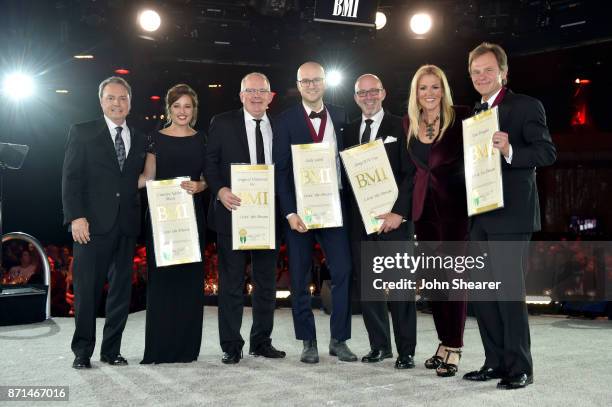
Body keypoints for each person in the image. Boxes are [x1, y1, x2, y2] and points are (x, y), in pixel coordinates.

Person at [462, 42, 556, 389]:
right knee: (483, 294)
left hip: (512, 216)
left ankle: (520, 367)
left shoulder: (526, 106)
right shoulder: (474, 114)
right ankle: (495, 361)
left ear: (503, 72)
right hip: (481, 216)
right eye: (476, 71)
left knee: (507, 293)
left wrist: (510, 150)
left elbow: (546, 153)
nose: (482, 76)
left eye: (488, 70)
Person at [273, 61, 356, 363]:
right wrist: (290, 212)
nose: (311, 85)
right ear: (298, 85)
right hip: (301, 214)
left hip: (335, 207)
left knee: (344, 270)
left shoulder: (343, 114)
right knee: (299, 275)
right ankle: (308, 341)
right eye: (305, 81)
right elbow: (281, 171)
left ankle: (339, 339)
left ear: (325, 83)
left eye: (316, 80)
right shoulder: (283, 121)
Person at [62, 76, 146, 369]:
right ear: (101, 101)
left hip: (125, 225)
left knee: (121, 293)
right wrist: (75, 216)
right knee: (86, 291)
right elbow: (71, 179)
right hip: (91, 226)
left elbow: (137, 178)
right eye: (111, 98)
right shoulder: (82, 132)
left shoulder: (138, 135)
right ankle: (82, 352)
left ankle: (112, 351)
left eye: (122, 98)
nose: (117, 103)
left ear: (130, 102)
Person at [204, 72, 285, 364]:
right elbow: (209, 163)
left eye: (261, 91)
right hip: (233, 213)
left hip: (267, 216)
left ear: (270, 96)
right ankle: (231, 345)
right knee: (231, 283)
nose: (255, 96)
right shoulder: (222, 122)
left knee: (266, 283)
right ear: (241, 96)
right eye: (250, 90)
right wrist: (220, 189)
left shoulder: (280, 125)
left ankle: (261, 341)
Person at [345, 74, 416, 369]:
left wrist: (399, 213)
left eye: (373, 91)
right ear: (355, 97)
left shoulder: (402, 125)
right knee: (370, 288)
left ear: (383, 93)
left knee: (400, 289)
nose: (368, 96)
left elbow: (413, 174)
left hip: (395, 222)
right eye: (362, 93)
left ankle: (406, 351)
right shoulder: (348, 131)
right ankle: (380, 346)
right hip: (360, 224)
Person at [405, 65, 470, 377]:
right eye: (423, 88)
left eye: (434, 87)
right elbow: (411, 173)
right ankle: (444, 342)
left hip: (456, 211)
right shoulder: (409, 123)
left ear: (443, 90)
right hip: (424, 214)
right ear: (415, 93)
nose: (429, 94)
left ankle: (455, 346)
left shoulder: (462, 117)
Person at [139, 84, 207, 364]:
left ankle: (186, 349)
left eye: (187, 106)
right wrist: (110, 185)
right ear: (169, 108)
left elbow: (208, 178)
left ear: (194, 110)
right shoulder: (154, 138)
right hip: (161, 218)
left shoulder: (203, 139)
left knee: (190, 283)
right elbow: (148, 177)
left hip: (192, 218)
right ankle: (160, 349)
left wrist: (201, 186)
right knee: (163, 282)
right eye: (177, 106)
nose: (182, 111)